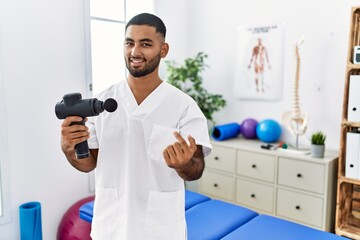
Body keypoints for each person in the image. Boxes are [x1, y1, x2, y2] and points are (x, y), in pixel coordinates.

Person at [60, 13, 212, 239]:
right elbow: (88, 164)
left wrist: (184, 164)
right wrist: (69, 149)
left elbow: (196, 169)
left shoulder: (184, 106)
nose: (135, 52)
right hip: (110, 227)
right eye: (129, 43)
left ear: (164, 50)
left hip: (160, 228)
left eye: (146, 44)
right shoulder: (102, 102)